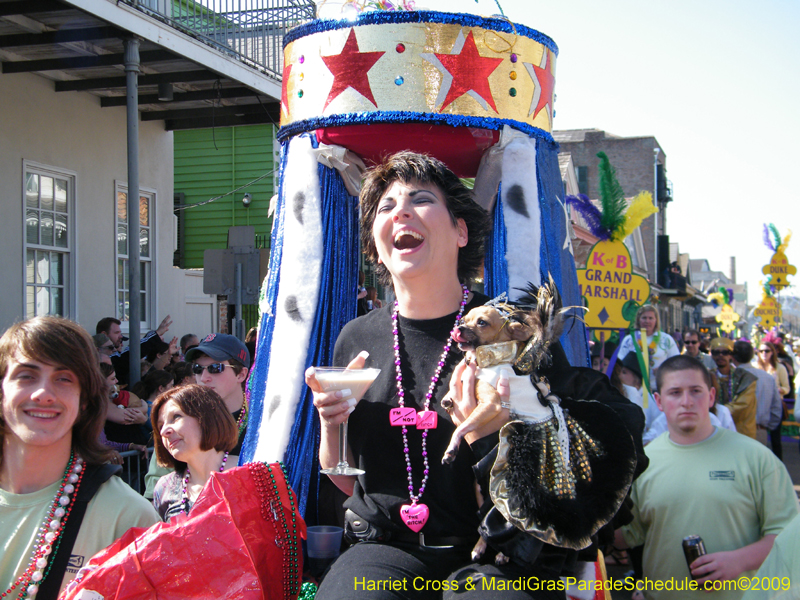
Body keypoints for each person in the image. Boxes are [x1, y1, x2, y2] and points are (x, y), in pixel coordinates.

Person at [305, 151, 645, 600]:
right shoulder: (356, 336)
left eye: (421, 199)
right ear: (375, 244)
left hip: (501, 553)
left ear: (461, 230)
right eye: (385, 207)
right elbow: (344, 477)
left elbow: (562, 470)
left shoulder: (513, 331)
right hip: (388, 548)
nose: (401, 211)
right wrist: (331, 422)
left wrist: (495, 431)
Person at [0, 316, 159, 597]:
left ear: (85, 400)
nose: (42, 394)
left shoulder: (128, 519)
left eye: (64, 379)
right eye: (26, 375)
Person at [616, 355, 797, 600]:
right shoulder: (642, 463)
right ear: (659, 401)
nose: (687, 401)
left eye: (696, 391)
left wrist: (739, 561)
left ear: (711, 397)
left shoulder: (757, 459)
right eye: (675, 392)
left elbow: (789, 537)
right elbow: (626, 536)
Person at [142, 333, 250, 499]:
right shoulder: (179, 422)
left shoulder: (261, 423)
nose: (204, 378)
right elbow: (155, 492)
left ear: (241, 374)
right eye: (198, 369)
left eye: (216, 368)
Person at [150, 385, 239, 522]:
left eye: (176, 417)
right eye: (160, 426)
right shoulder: (164, 488)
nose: (164, 432)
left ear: (207, 417)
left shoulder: (248, 472)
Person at [734, 341, 784, 458]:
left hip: (736, 430)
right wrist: (765, 428)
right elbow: (776, 409)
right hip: (759, 430)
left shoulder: (733, 376)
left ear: (733, 357)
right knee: (756, 471)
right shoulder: (767, 378)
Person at [96, 315, 173, 387]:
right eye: (116, 333)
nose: (121, 336)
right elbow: (128, 356)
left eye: (120, 333)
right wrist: (156, 334)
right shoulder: (104, 359)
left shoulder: (115, 357)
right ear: (104, 335)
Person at [617, 305, 680, 393]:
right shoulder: (629, 340)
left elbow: (677, 362)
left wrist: (663, 369)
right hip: (635, 390)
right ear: (639, 320)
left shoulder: (666, 340)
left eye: (651, 318)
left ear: (656, 320)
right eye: (644, 318)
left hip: (659, 388)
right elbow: (620, 362)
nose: (647, 321)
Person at [710, 337, 758, 438]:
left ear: (732, 355)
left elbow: (742, 406)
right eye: (716, 352)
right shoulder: (707, 376)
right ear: (711, 355)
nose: (720, 355)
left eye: (725, 352)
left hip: (741, 433)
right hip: (714, 433)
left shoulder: (746, 378)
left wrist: (715, 411)